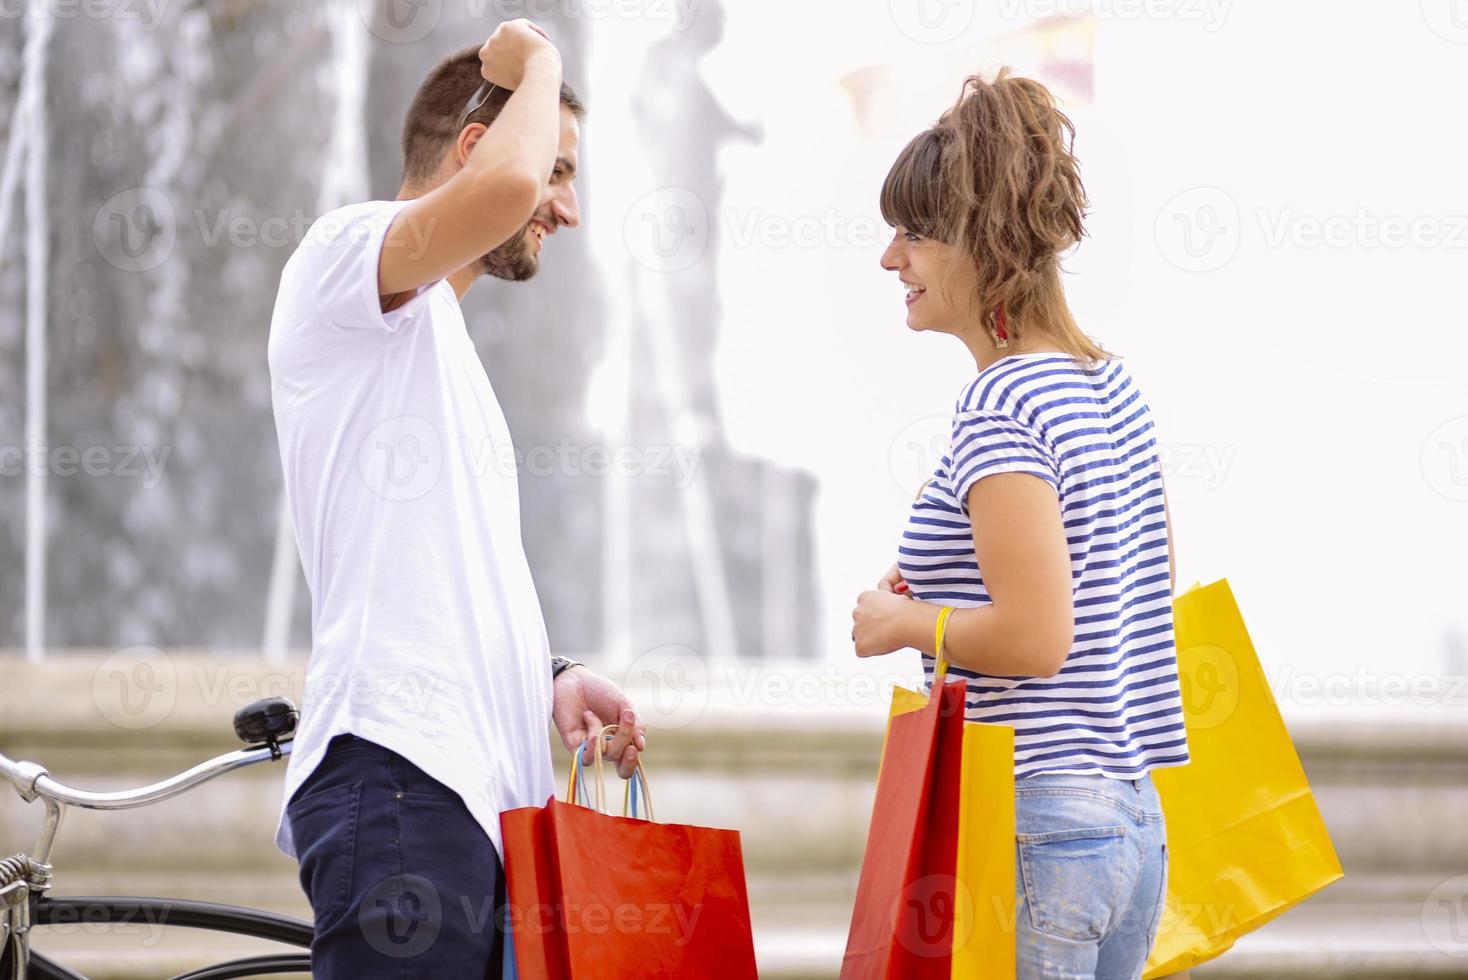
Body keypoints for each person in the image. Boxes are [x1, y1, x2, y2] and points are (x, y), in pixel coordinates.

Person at [266, 21, 645, 978]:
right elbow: (509, 190)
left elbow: (438, 573)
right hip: (401, 788)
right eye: (559, 171)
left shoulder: (438, 346)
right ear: (478, 146)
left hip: (454, 810)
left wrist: (545, 675)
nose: (567, 208)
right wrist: (543, 65)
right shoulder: (342, 256)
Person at [850, 67, 1191, 980]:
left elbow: (1039, 638)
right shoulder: (1107, 383)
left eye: (914, 235)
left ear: (980, 244)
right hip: (1130, 822)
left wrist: (902, 626)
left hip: (1039, 818)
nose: (892, 260)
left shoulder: (1002, 403)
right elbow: (1132, 581)